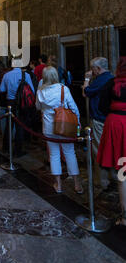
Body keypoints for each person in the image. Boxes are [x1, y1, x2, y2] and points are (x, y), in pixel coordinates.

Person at [36, 66, 83, 195]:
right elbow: (73, 107)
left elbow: (37, 106)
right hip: (65, 125)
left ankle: (59, 184)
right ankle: (77, 184)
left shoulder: (40, 91)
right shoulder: (63, 89)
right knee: (70, 153)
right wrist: (78, 122)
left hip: (48, 127)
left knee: (54, 155)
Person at [97, 57, 126, 228]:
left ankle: (124, 216)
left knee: (123, 172)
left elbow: (102, 107)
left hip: (116, 124)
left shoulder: (111, 83)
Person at [83, 57, 114, 189]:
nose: (92, 71)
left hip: (99, 120)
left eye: (93, 68)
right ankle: (113, 176)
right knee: (111, 148)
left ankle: (102, 180)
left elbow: (86, 92)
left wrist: (86, 79)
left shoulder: (100, 80)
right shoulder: (112, 77)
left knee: (98, 150)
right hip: (111, 119)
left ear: (98, 68)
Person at [0, 62, 35, 157]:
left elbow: (1, 89)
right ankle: (17, 150)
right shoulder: (26, 75)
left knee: (9, 125)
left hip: (10, 103)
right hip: (22, 103)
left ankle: (5, 147)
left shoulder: (7, 75)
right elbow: (32, 90)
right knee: (20, 126)